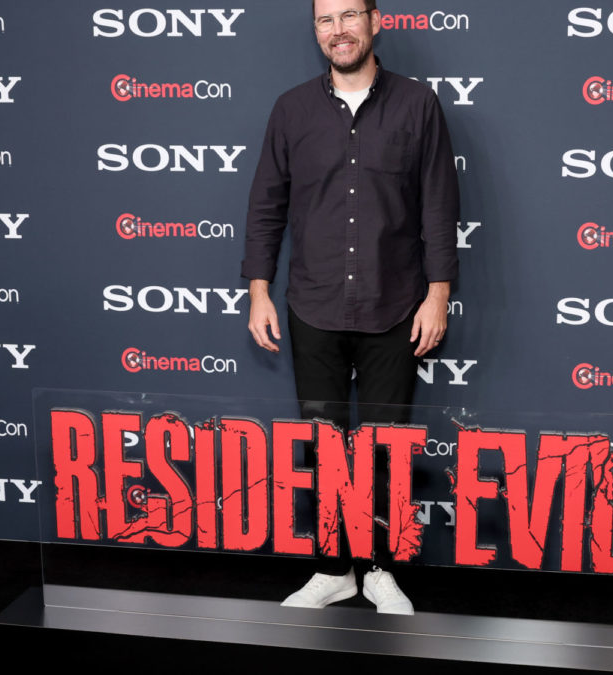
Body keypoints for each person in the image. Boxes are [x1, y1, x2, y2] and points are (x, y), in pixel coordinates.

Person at [241, 0, 459, 615]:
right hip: (313, 306)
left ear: (375, 20)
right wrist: (258, 291)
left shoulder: (418, 104)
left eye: (349, 16)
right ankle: (335, 569)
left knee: (386, 448)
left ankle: (381, 568)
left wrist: (438, 295)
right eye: (325, 20)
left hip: (396, 307)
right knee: (326, 448)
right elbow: (266, 208)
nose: (338, 31)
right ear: (316, 31)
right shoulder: (292, 109)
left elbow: (440, 207)